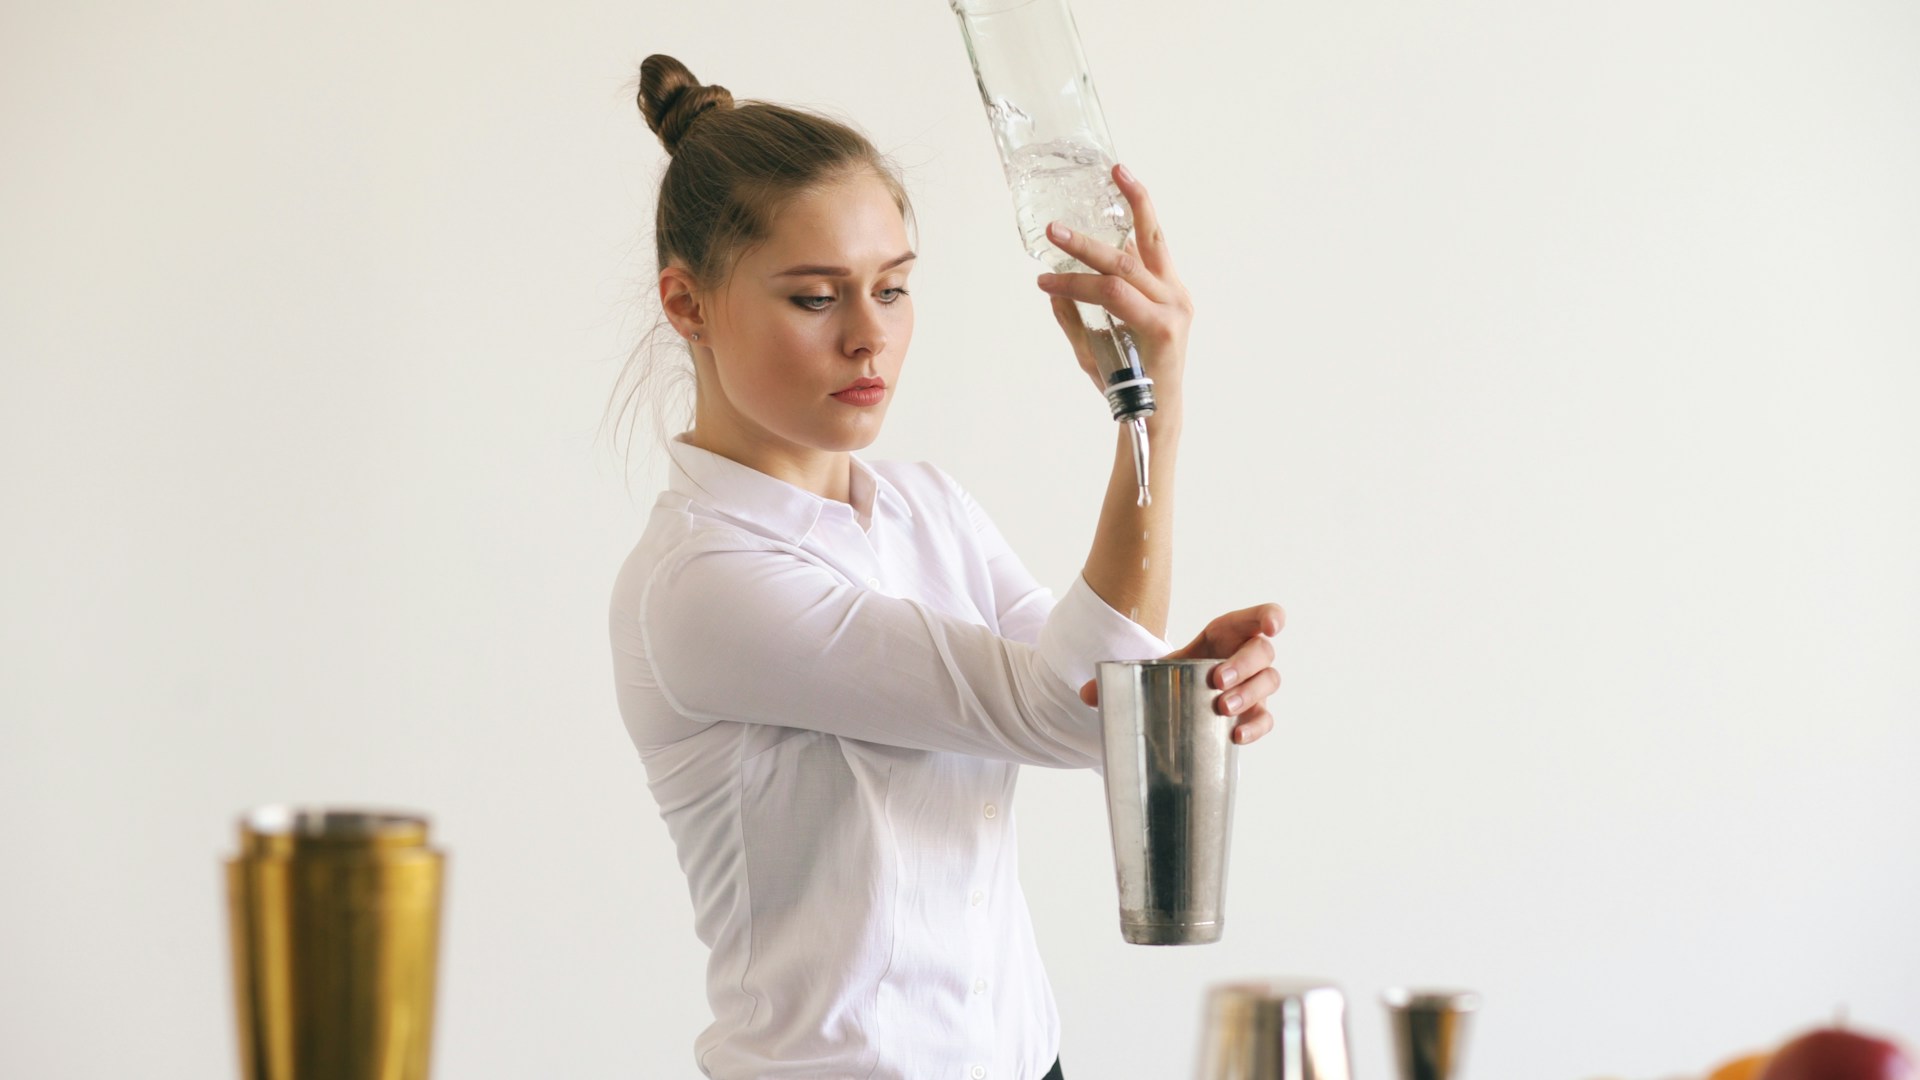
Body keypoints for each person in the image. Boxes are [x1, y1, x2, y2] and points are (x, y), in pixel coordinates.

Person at [606, 54, 1284, 1080]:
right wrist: (1152, 404)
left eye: (893, 287)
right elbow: (1059, 708)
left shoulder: (928, 508)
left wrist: (1173, 689)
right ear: (688, 304)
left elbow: (1083, 704)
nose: (869, 337)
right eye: (816, 297)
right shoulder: (704, 582)